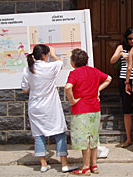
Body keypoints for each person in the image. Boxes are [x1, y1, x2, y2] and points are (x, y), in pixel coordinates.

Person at [21, 44, 78, 173]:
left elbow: (25, 89)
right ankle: (64, 164)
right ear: (44, 55)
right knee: (59, 132)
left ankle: (43, 164)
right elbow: (60, 63)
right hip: (51, 106)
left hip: (35, 107)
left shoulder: (27, 70)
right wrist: (53, 54)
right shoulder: (51, 66)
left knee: (39, 135)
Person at [65, 48, 112, 175]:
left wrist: (72, 100)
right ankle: (94, 165)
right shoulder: (94, 71)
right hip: (95, 109)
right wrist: (98, 89)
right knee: (93, 138)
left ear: (73, 62)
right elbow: (108, 78)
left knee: (84, 139)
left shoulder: (74, 73)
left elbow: (68, 87)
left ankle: (85, 166)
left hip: (81, 110)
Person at [110, 27, 133, 148]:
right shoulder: (121, 47)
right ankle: (128, 138)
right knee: (126, 109)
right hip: (124, 80)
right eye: (130, 39)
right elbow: (112, 60)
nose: (132, 41)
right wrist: (121, 54)